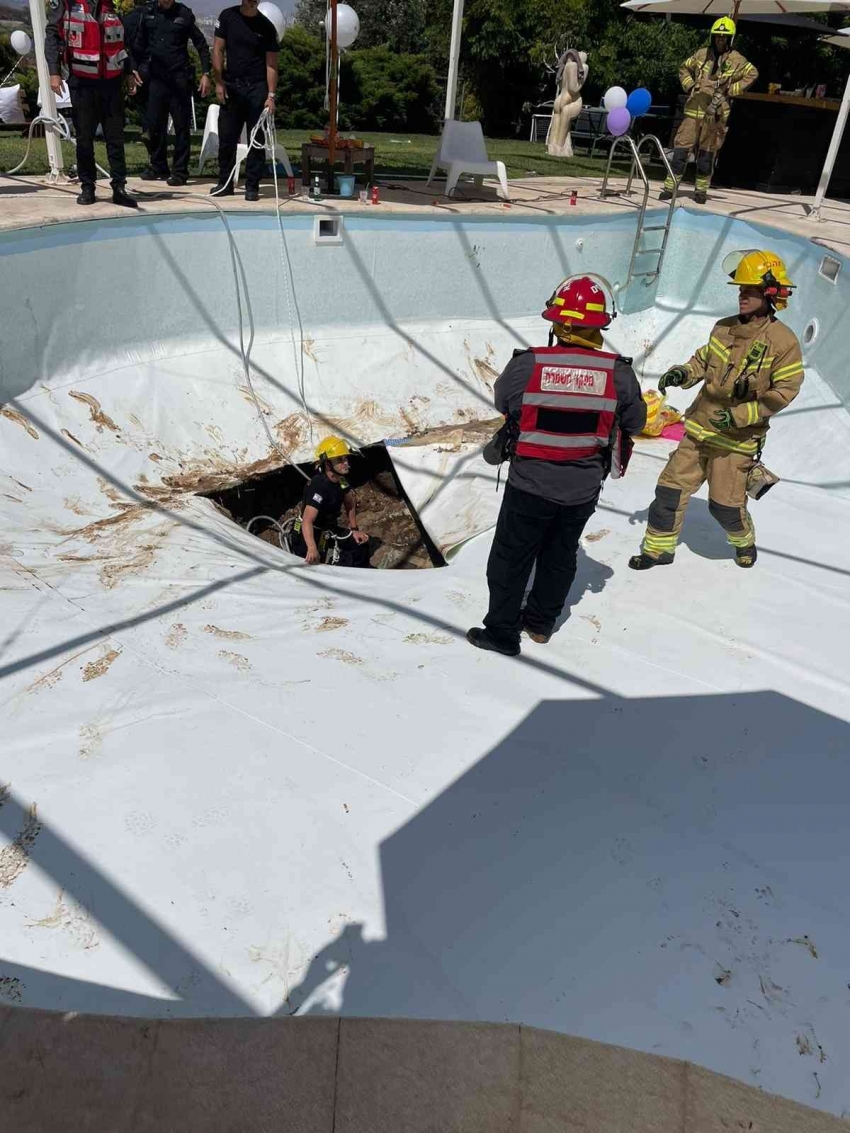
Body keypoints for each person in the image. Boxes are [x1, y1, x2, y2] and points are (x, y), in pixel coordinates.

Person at [467, 276, 647, 657]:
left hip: (529, 485)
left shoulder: (527, 365)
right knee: (560, 554)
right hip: (581, 490)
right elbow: (635, 423)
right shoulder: (619, 374)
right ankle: (540, 624)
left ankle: (501, 632)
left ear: (561, 324)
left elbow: (505, 404)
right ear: (599, 326)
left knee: (510, 558)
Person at [629, 250, 803, 572]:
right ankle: (658, 550)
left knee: (725, 506)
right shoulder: (722, 328)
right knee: (669, 491)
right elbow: (704, 360)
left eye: (748, 291)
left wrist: (738, 416)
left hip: (736, 442)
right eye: (740, 290)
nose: (741, 296)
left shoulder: (784, 342)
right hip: (698, 429)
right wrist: (683, 372)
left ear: (769, 294)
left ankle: (743, 540)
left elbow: (785, 392)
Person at [45, 0, 141, 208]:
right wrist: (54, 72)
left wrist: (129, 72)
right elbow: (53, 35)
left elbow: (123, 42)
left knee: (115, 137)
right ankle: (88, 187)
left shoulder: (114, 4)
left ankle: (119, 187)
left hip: (111, 81)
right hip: (82, 80)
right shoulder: (66, 3)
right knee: (84, 138)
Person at [660, 18, 757, 205]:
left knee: (706, 155)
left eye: (724, 37)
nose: (720, 40)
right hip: (693, 111)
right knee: (680, 151)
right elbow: (684, 68)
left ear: (730, 39)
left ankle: (701, 191)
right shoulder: (701, 54)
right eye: (717, 37)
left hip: (716, 114)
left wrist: (731, 91)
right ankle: (670, 188)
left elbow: (752, 74)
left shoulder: (737, 59)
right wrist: (689, 86)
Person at [131, 0, 212, 186]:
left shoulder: (184, 14)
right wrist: (133, 69)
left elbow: (201, 44)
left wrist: (206, 73)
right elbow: (138, 45)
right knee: (154, 124)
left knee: (181, 126)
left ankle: (180, 172)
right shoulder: (148, 12)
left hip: (178, 78)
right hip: (156, 79)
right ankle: (158, 165)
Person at [210, 0, 278, 201]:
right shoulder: (228, 17)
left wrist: (271, 96)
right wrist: (219, 82)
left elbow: (272, 64)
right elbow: (217, 50)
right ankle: (225, 183)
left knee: (256, 140)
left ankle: (252, 186)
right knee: (227, 138)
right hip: (232, 86)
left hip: (257, 88)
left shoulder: (266, 26)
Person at [289, 437, 372, 568]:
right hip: (308, 534)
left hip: (328, 529)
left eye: (345, 458)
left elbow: (349, 503)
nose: (345, 463)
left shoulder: (341, 481)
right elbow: (307, 521)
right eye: (340, 460)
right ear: (328, 464)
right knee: (315, 565)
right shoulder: (319, 487)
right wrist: (311, 548)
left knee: (359, 546)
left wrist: (354, 529)